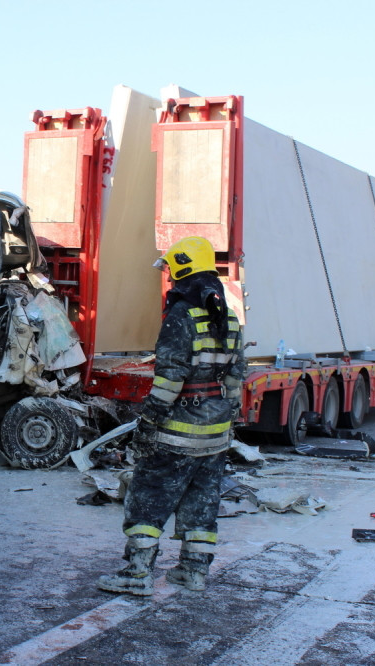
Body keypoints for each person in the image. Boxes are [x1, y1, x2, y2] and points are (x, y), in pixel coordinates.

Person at [97, 236, 245, 596]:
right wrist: (229, 420)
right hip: (215, 433)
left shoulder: (181, 316)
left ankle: (136, 575)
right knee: (201, 505)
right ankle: (193, 573)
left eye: (170, 269)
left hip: (176, 432)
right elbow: (236, 377)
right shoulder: (227, 314)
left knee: (148, 497)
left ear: (182, 267)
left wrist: (149, 422)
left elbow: (170, 380)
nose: (168, 277)